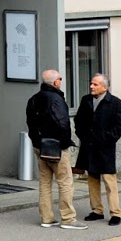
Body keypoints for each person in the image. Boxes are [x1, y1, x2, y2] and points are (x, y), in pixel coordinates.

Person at [25, 68, 85, 229]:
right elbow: (62, 123)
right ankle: (68, 219)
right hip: (56, 146)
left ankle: (46, 218)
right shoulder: (56, 99)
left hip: (40, 146)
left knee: (45, 183)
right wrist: (65, 143)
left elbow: (30, 124)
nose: (61, 81)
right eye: (60, 79)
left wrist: (36, 142)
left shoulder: (33, 99)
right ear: (56, 82)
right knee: (65, 182)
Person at [75, 72, 121, 226]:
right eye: (91, 83)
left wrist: (106, 138)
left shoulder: (115, 103)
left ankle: (115, 213)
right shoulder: (86, 100)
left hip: (105, 148)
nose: (91, 86)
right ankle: (97, 210)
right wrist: (83, 136)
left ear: (105, 87)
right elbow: (78, 121)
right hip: (89, 146)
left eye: (95, 84)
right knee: (92, 179)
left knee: (109, 181)